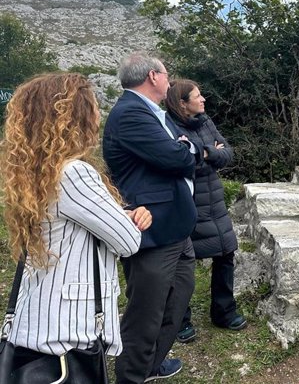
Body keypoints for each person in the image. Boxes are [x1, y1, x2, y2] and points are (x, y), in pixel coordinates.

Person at [0, 73, 151, 372]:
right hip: (66, 335)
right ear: (75, 115)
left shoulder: (38, 172)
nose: (96, 115)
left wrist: (120, 217)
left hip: (39, 320)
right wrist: (128, 220)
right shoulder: (74, 173)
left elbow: (77, 222)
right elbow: (129, 242)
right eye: (91, 106)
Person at [103, 53, 201, 383]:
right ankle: (131, 376)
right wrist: (190, 150)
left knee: (178, 297)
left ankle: (151, 364)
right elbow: (177, 156)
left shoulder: (148, 111)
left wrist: (186, 149)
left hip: (175, 226)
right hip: (151, 229)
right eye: (166, 74)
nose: (170, 80)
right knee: (146, 312)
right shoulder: (129, 113)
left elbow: (178, 153)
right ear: (152, 76)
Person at [164, 79, 247, 343]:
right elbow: (181, 161)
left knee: (225, 253)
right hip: (188, 203)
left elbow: (228, 154)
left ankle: (224, 312)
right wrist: (210, 154)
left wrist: (205, 153)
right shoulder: (167, 126)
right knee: (182, 264)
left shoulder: (205, 121)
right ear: (182, 103)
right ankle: (180, 320)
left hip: (214, 202)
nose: (203, 100)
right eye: (198, 96)